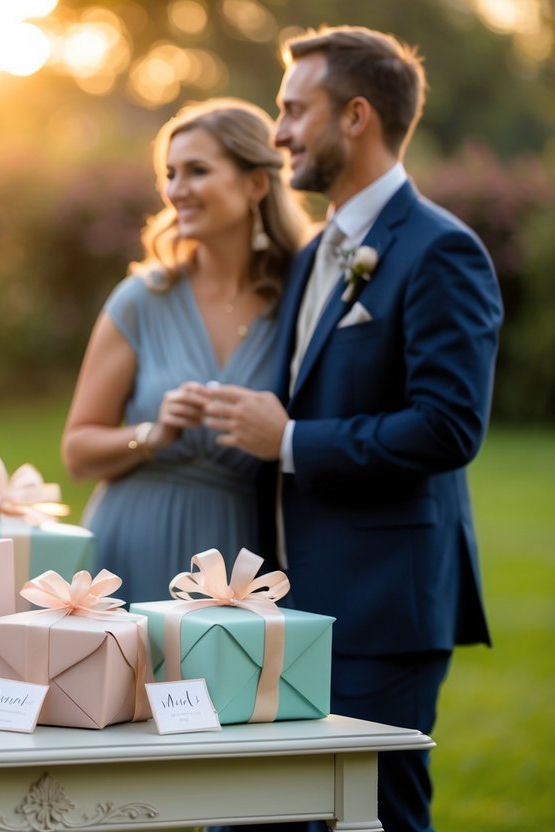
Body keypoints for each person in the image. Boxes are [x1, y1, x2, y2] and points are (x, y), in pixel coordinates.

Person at [203, 27, 502, 832]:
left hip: (382, 604)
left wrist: (288, 442)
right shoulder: (316, 254)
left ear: (356, 116)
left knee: (371, 817)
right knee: (257, 812)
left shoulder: (440, 251)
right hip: (285, 598)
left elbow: (447, 427)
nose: (278, 133)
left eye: (293, 110)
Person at [61, 98, 307, 601]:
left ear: (255, 184)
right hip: (130, 541)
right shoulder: (142, 299)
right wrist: (153, 435)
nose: (176, 190)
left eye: (197, 171)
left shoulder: (300, 302)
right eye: (170, 175)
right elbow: (77, 453)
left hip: (240, 556)